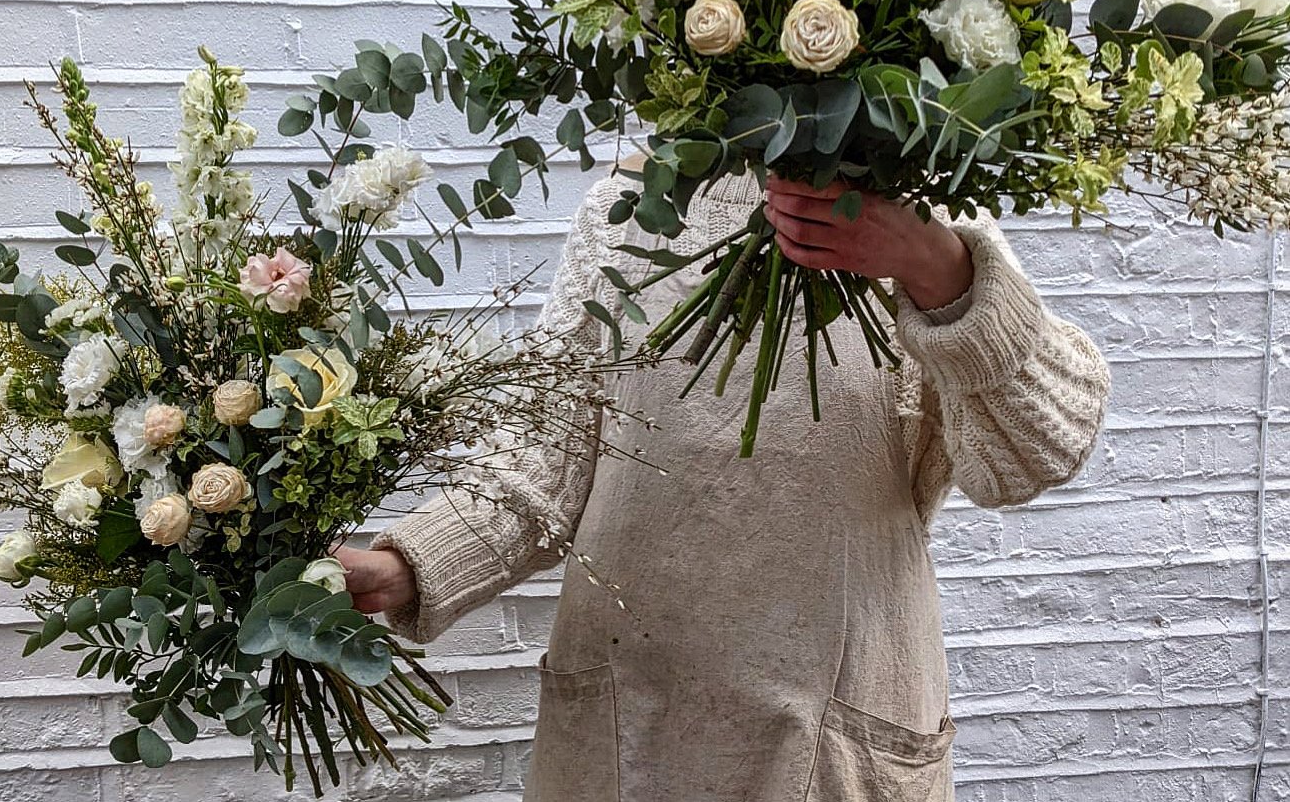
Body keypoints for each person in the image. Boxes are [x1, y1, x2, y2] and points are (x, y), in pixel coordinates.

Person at [338, 168, 1111, 801]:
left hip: (836, 724)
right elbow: (549, 451)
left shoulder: (912, 200)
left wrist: (933, 266)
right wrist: (407, 565)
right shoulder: (633, 201)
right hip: (629, 717)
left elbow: (1035, 451)